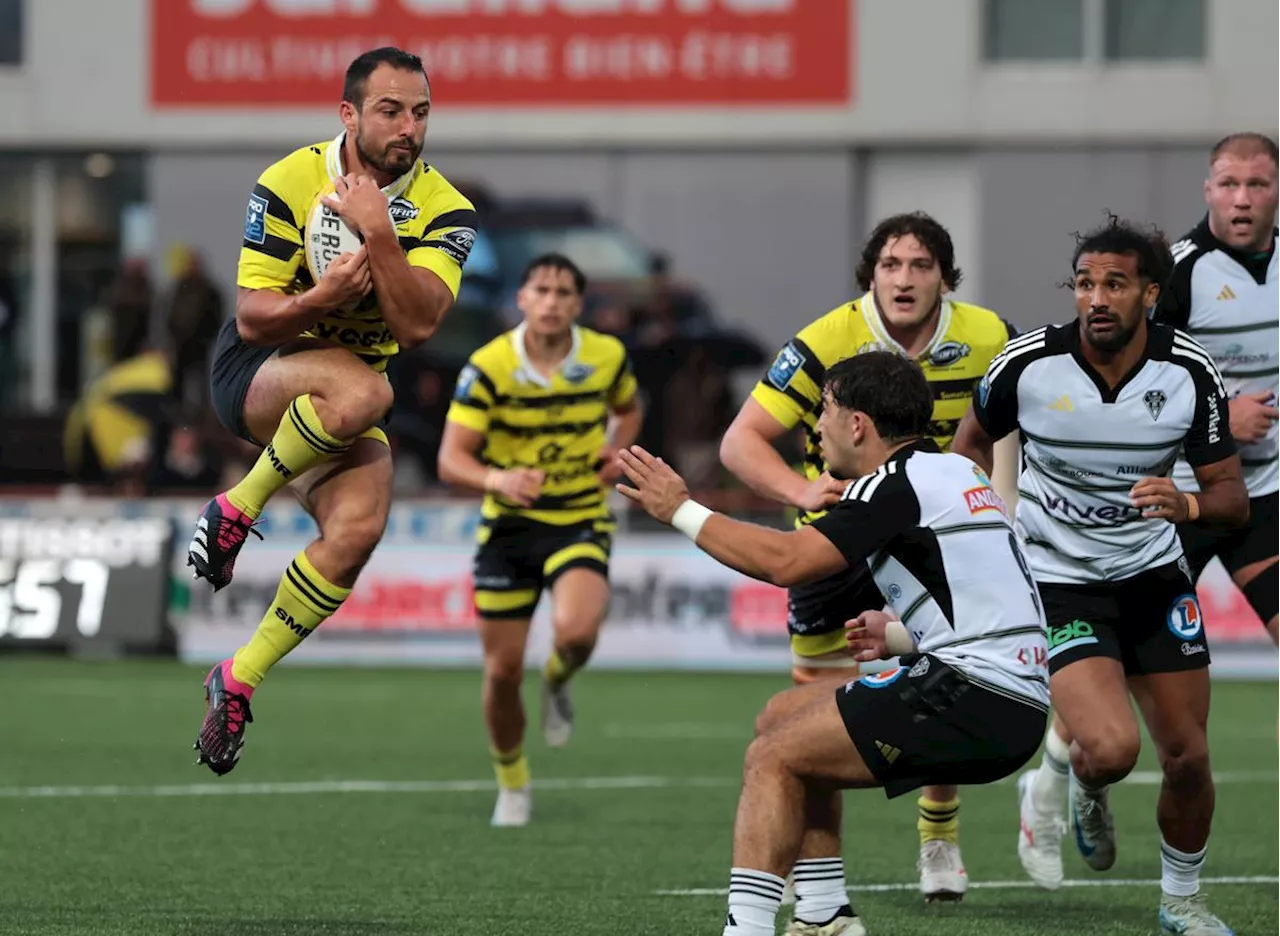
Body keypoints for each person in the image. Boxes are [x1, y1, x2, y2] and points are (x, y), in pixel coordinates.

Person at [619, 351, 1049, 936]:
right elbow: (990, 598)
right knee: (784, 718)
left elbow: (787, 562)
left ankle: (745, 929)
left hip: (979, 696)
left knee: (771, 758)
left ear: (857, 424)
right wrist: (898, 635)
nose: (815, 425)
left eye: (824, 410)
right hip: (1006, 694)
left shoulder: (891, 486)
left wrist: (682, 509)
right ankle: (825, 914)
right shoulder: (953, 472)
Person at [952, 215, 1248, 936]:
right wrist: (981, 531)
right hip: (1058, 581)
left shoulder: (1190, 373)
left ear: (1151, 292)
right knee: (1113, 751)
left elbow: (1232, 502)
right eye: (1085, 285)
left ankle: (1182, 903)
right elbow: (967, 449)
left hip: (1153, 577)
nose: (1097, 299)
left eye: (1115, 284)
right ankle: (1079, 787)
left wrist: (1184, 502)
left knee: (1187, 759)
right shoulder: (1026, 364)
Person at [189, 47, 477, 775]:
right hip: (260, 371)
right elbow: (254, 318)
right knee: (368, 392)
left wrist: (379, 231)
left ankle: (239, 677)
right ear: (347, 114)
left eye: (420, 112)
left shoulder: (447, 209)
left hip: (340, 400)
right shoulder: (289, 180)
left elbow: (417, 326)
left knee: (357, 531)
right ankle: (238, 507)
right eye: (389, 110)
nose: (407, 127)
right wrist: (320, 300)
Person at [719, 212, 1016, 909]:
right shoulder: (828, 339)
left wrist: (1002, 500)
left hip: (929, 540)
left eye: (920, 266)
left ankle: (938, 833)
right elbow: (742, 443)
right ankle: (824, 897)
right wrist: (801, 488)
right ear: (870, 275)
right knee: (806, 722)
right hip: (838, 543)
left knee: (947, 671)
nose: (905, 279)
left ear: (946, 277)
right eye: (891, 265)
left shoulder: (987, 336)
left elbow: (1010, 426)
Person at [437, 253, 643, 827]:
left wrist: (615, 449)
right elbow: (452, 459)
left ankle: (556, 679)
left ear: (579, 305)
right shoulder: (488, 366)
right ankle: (512, 782)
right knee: (501, 673)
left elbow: (627, 412)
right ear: (521, 299)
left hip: (579, 516)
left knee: (576, 634)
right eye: (541, 290)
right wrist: (499, 478)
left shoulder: (606, 355)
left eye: (563, 293)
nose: (551, 301)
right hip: (508, 529)